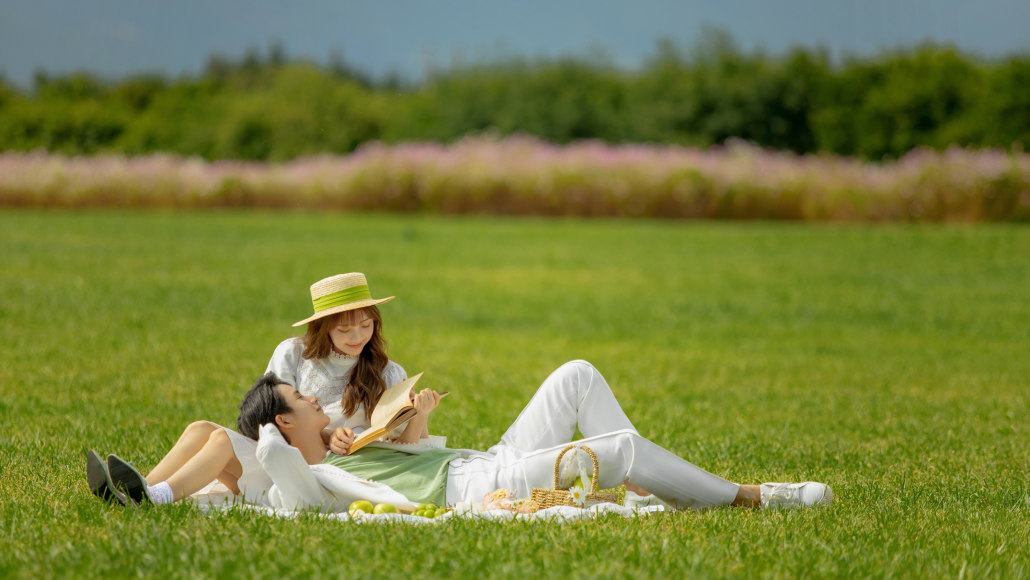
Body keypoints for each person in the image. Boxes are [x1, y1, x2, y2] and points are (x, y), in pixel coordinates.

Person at [180, 361, 831, 512]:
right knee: (623, 451)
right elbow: (273, 468)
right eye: (304, 400)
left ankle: (640, 484)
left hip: (486, 457)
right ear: (285, 424)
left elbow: (423, 450)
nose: (319, 400)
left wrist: (409, 418)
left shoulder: (349, 442)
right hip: (479, 485)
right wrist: (266, 445)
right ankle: (753, 497)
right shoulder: (319, 477)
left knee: (575, 376)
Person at [87, 272, 426, 506]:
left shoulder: (387, 372)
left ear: (376, 323)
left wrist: (412, 415)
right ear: (322, 329)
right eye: (345, 330)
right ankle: (138, 489)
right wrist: (325, 433)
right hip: (276, 448)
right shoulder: (293, 354)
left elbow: (391, 441)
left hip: (314, 470)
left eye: (366, 326)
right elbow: (269, 415)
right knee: (200, 428)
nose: (357, 338)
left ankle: (155, 495)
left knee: (218, 438)